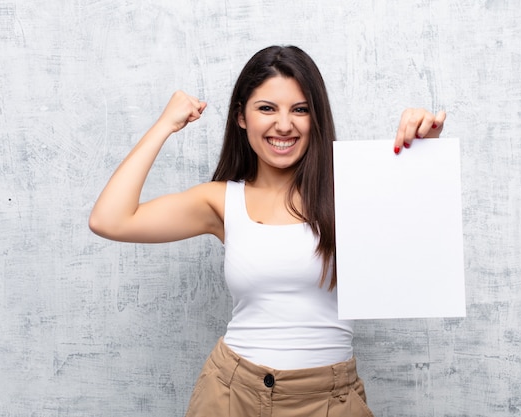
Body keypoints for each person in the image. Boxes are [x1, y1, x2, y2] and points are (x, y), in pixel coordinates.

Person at [89, 45, 446, 416]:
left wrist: (424, 147)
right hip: (231, 394)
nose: (284, 125)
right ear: (241, 116)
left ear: (315, 117)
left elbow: (419, 236)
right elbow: (109, 220)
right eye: (266, 108)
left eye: (300, 109)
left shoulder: (349, 191)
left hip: (330, 399)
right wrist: (164, 124)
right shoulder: (220, 201)